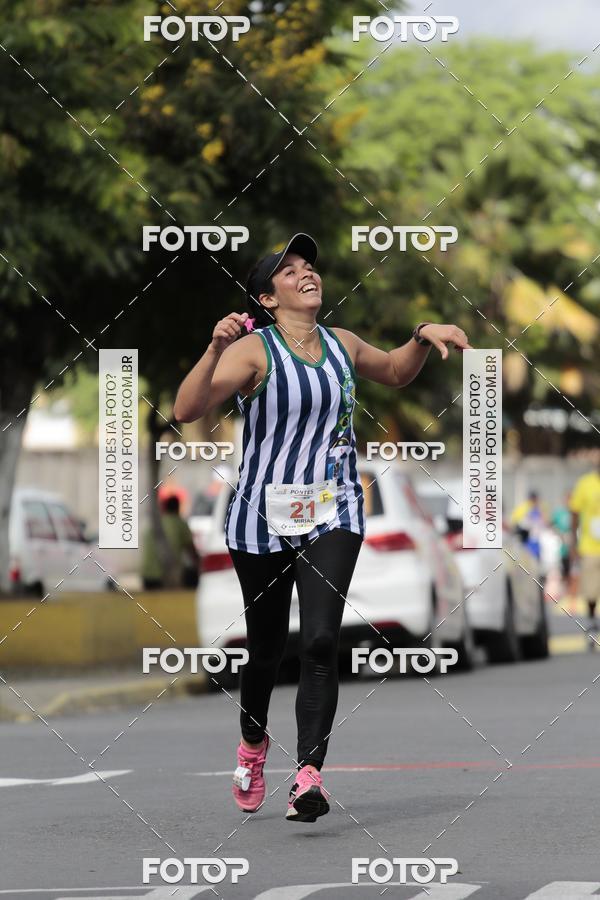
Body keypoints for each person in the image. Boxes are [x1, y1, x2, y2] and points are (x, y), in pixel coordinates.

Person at [173, 232, 472, 822]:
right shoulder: (253, 352)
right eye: (289, 271)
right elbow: (186, 410)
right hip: (260, 517)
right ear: (267, 296)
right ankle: (253, 748)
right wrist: (212, 350)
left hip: (333, 510)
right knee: (264, 651)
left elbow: (393, 371)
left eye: (309, 265)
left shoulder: (342, 344)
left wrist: (419, 337)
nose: (306, 274)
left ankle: (309, 775)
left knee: (317, 641)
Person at [569, 456, 600, 643]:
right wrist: (573, 544)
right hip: (589, 547)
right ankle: (592, 622)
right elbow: (575, 512)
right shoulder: (585, 484)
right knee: (590, 589)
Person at [141, 495, 201, 590]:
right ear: (178, 508)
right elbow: (192, 552)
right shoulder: (180, 524)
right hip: (166, 576)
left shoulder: (155, 523)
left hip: (147, 575)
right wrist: (201, 568)